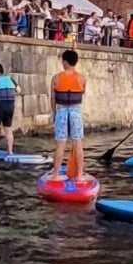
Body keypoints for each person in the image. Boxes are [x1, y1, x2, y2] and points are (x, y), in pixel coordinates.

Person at [48, 48, 87, 181]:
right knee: (78, 144)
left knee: (60, 145)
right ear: (76, 62)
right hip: (76, 111)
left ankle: (55, 174)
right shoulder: (82, 78)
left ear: (64, 62)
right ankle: (80, 175)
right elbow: (82, 93)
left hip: (62, 111)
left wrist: (54, 113)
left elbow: (53, 99)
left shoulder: (56, 78)